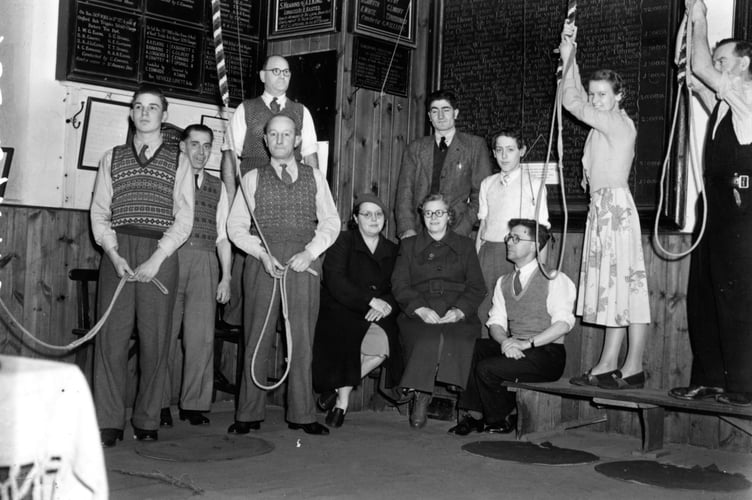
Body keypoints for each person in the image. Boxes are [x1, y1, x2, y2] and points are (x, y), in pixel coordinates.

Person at [90, 85, 194, 447]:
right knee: (111, 341)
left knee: (156, 341)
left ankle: (147, 418)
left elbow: (184, 219)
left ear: (164, 115)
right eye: (139, 107)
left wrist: (157, 257)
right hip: (117, 253)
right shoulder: (111, 157)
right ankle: (108, 421)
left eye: (153, 107)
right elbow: (100, 213)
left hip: (159, 255)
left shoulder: (179, 160)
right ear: (131, 114)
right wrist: (114, 254)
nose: (145, 113)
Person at [226, 114, 340, 435]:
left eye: (286, 134)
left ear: (297, 139)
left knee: (301, 337)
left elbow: (331, 222)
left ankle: (302, 414)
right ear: (264, 141)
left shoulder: (315, 176)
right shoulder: (251, 179)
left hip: (303, 260)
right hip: (263, 258)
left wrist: (310, 253)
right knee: (257, 334)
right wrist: (260, 253)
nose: (279, 140)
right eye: (273, 135)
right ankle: (248, 413)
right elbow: (235, 227)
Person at [559, 21, 651, 390]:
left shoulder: (616, 122)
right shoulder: (601, 128)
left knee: (629, 289)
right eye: (593, 94)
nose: (595, 100)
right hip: (603, 209)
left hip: (615, 208)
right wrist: (570, 55)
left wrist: (571, 55)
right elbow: (577, 97)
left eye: (602, 94)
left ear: (618, 95)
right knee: (613, 290)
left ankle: (634, 366)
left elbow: (571, 99)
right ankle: (608, 362)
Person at [669, 0, 752, 407]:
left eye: (723, 60)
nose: (716, 64)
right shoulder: (727, 102)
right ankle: (710, 378)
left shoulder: (747, 92)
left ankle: (744, 384)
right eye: (715, 59)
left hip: (742, 208)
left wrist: (699, 15)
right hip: (713, 206)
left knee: (738, 296)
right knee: (703, 291)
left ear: (743, 63)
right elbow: (698, 80)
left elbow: (702, 71)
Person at [449, 219, 576, 435]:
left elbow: (563, 324)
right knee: (474, 348)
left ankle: (502, 418)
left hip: (547, 354)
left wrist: (526, 344)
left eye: (516, 238)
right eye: (509, 237)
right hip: (517, 346)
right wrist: (506, 341)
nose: (509, 242)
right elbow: (496, 322)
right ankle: (475, 416)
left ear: (535, 245)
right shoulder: (503, 282)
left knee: (487, 368)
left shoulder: (555, 279)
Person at [221, 54, 320, 327]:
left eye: (286, 72)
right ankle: (241, 317)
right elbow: (230, 157)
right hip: (254, 197)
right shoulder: (246, 109)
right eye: (275, 71)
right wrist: (232, 202)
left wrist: (315, 203)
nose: (281, 76)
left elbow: (311, 158)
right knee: (251, 266)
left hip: (291, 197)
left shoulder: (301, 112)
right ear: (262, 76)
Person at [391, 194, 486, 429]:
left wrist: (460, 310)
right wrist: (419, 309)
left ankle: (466, 408)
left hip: (456, 310)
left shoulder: (465, 245)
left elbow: (477, 286)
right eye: (428, 213)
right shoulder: (409, 245)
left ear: (449, 216)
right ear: (422, 216)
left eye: (439, 212)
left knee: (460, 337)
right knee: (427, 337)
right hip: (420, 310)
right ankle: (421, 394)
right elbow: (399, 284)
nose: (434, 217)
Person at [160, 125, 232, 427]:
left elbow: (223, 237)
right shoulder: (166, 181)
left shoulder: (218, 187)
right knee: (162, 334)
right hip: (169, 260)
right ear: (182, 147)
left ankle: (194, 405)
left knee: (200, 338)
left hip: (205, 261)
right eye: (194, 145)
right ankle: (158, 404)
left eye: (206, 146)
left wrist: (226, 276)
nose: (201, 152)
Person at [312, 192, 403, 428]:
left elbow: (400, 286)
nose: (374, 219)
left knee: (383, 347)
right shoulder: (342, 241)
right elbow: (336, 280)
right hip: (342, 305)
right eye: (367, 214)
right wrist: (369, 300)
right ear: (356, 217)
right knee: (346, 336)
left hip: (379, 311)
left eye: (379, 214)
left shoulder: (393, 250)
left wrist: (386, 306)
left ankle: (335, 389)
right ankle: (342, 404)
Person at [476, 129, 550, 330]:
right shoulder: (487, 184)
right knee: (485, 307)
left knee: (513, 306)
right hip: (489, 253)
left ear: (522, 150)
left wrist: (539, 268)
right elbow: (483, 226)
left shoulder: (535, 185)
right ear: (493, 153)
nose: (504, 155)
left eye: (510, 149)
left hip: (519, 253)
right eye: (499, 150)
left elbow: (541, 230)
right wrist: (476, 260)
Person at [395, 89, 492, 239]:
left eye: (446, 110)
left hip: (457, 231)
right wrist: (407, 230)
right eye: (435, 111)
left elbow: (481, 195)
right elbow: (405, 194)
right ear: (429, 116)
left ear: (456, 113)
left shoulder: (475, 146)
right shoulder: (415, 148)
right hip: (419, 233)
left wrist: (461, 230)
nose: (440, 116)